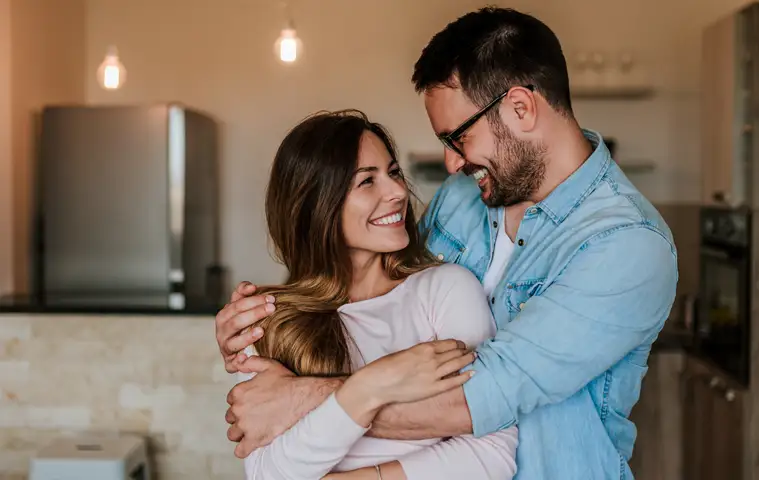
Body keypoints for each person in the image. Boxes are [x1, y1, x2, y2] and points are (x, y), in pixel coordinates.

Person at [217, 7, 678, 480]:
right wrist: (262, 331)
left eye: (458, 137)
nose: (451, 163)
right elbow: (390, 305)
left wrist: (300, 396)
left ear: (521, 107)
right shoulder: (465, 196)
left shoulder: (627, 245)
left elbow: (476, 400)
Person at [230, 109, 518, 480]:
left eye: (394, 172)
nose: (398, 192)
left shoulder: (445, 290)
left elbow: (492, 457)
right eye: (367, 182)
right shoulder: (270, 322)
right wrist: (372, 385)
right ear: (317, 206)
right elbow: (268, 473)